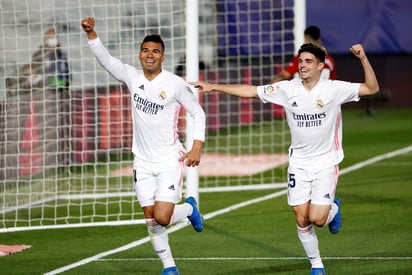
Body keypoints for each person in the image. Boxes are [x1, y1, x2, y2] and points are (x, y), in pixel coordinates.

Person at [191, 43, 379, 275]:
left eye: (308, 62)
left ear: (321, 66)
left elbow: (371, 88)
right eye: (300, 61)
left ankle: (333, 210)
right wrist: (213, 86)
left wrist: (363, 58)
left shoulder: (334, 89)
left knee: (318, 219)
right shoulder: (286, 89)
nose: (302, 65)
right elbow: (251, 90)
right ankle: (317, 265)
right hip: (298, 164)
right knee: (302, 218)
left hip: (325, 163)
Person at [81, 17, 206, 275]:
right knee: (151, 219)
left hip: (169, 160)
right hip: (142, 161)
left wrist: (196, 146)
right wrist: (92, 34)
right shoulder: (132, 76)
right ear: (140, 54)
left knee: (162, 216)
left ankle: (190, 208)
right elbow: (106, 60)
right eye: (146, 50)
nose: (150, 55)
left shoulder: (175, 84)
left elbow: (198, 113)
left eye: (156, 51)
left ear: (163, 57)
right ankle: (169, 267)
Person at [271, 26, 336, 83]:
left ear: (306, 39)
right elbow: (333, 81)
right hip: (325, 95)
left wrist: (267, 88)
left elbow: (284, 75)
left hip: (305, 93)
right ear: (319, 40)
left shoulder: (302, 58)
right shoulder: (330, 60)